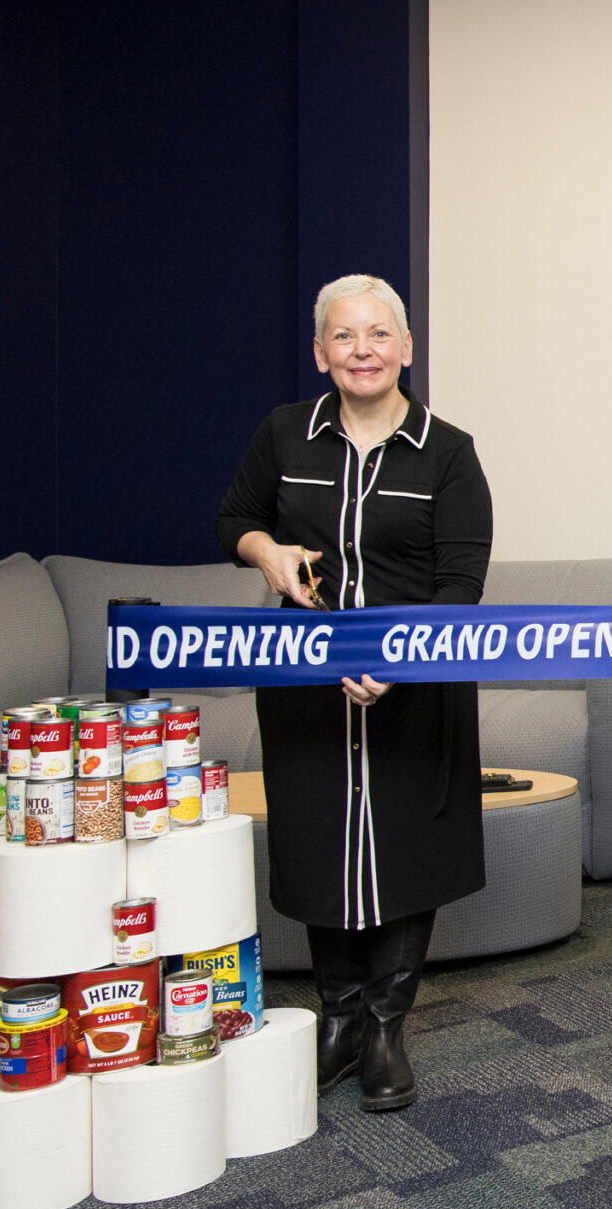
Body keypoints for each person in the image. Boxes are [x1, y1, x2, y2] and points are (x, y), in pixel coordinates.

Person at [213, 275, 493, 1113]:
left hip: (415, 684)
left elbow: (461, 583)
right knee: (319, 839)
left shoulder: (448, 450)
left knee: (407, 842)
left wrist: (398, 660)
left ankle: (383, 1028)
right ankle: (335, 1018)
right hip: (304, 678)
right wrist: (266, 551)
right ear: (320, 352)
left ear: (407, 348)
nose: (363, 349)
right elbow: (233, 518)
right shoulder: (282, 434)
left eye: (379, 334)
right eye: (344, 336)